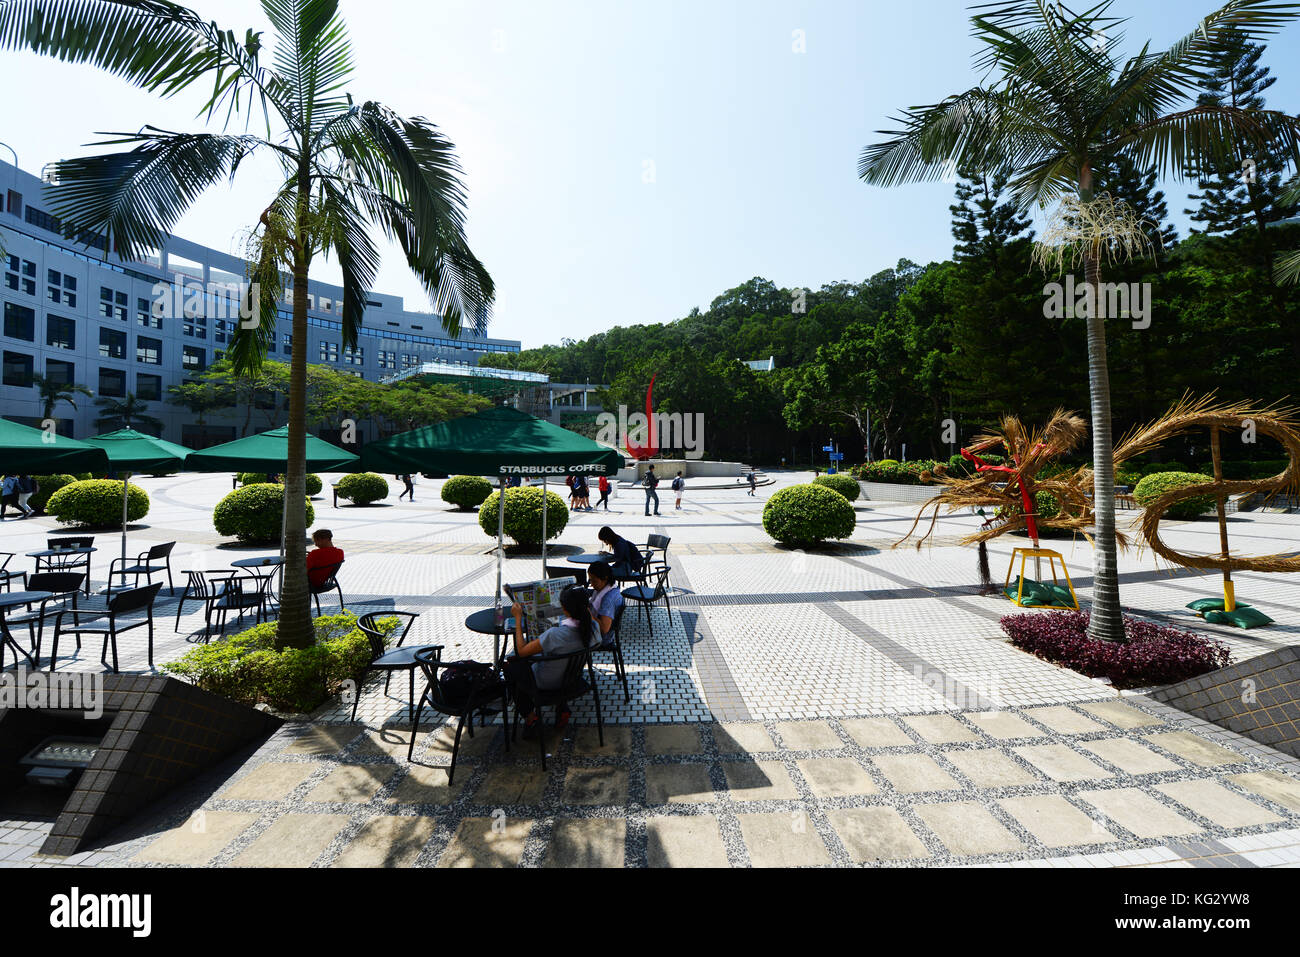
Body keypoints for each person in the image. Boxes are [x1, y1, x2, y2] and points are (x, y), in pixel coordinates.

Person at [504, 584, 600, 738]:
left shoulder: (555, 635)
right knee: (551, 665)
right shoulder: (593, 628)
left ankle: (530, 717)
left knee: (510, 667)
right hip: (572, 679)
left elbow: (522, 651)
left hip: (545, 683)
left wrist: (517, 618)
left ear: (564, 608)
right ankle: (562, 708)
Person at [586, 560, 624, 638]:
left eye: (594, 581)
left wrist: (587, 613)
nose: (592, 584)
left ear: (605, 578)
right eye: (590, 580)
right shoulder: (612, 587)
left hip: (602, 638)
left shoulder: (607, 600)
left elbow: (604, 629)